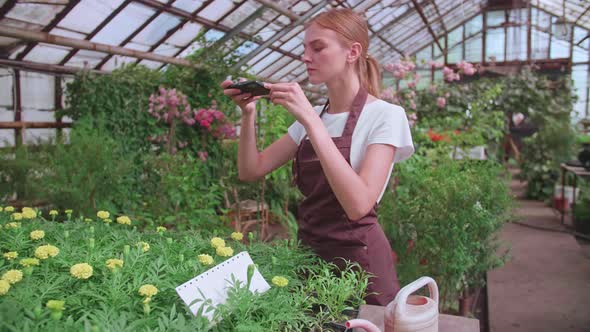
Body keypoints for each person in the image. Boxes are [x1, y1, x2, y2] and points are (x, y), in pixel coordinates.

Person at [221, 8, 414, 306]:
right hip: (310, 259)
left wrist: (312, 122)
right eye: (304, 48)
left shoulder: (385, 116)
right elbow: (251, 170)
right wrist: (248, 115)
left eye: (318, 47)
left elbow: (359, 205)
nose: (306, 57)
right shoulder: (310, 119)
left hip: (361, 266)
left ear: (352, 52)